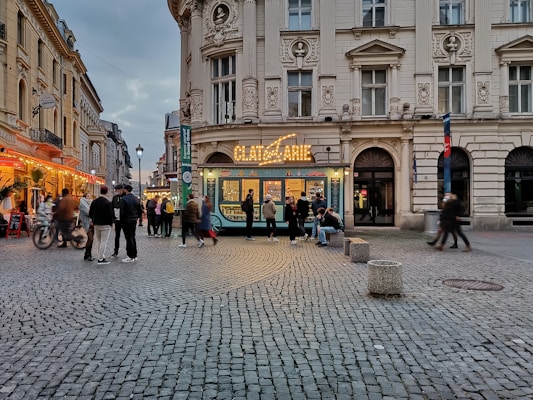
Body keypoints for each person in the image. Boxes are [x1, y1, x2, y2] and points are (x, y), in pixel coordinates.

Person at [89, 186, 114, 265]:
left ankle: (101, 256)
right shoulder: (108, 203)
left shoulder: (94, 202)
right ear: (107, 192)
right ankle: (100, 258)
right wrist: (111, 223)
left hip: (96, 224)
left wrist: (93, 221)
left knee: (99, 241)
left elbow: (90, 213)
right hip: (105, 224)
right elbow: (110, 215)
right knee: (104, 241)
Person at [119, 184, 142, 262]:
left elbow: (121, 212)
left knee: (128, 238)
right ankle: (134, 255)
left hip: (126, 220)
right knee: (133, 237)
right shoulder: (136, 198)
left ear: (126, 190)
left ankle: (130, 255)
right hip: (133, 220)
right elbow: (140, 210)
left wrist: (121, 221)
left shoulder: (123, 199)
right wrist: (136, 217)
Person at [111, 184, 124, 258]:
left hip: (124, 220)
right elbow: (112, 208)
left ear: (121, 189)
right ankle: (116, 251)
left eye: (117, 190)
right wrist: (113, 220)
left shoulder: (125, 197)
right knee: (117, 236)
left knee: (127, 236)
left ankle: (129, 252)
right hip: (117, 220)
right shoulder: (115, 198)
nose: (116, 192)